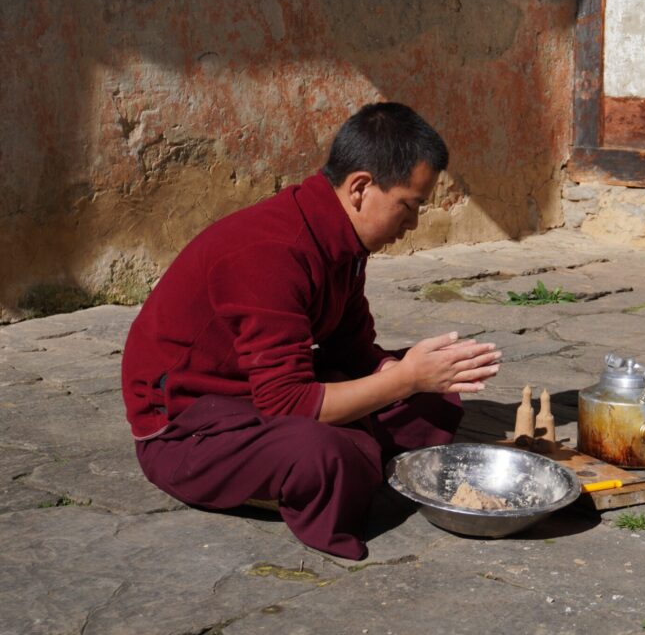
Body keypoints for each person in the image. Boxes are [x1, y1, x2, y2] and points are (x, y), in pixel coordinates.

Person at [121, 102, 501, 559]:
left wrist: (411, 374)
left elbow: (352, 348)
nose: (413, 224)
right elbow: (287, 402)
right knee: (325, 453)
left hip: (256, 393)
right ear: (360, 187)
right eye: (409, 206)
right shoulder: (271, 250)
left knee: (433, 397)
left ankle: (357, 449)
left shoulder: (340, 240)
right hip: (188, 431)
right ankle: (330, 467)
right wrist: (403, 378)